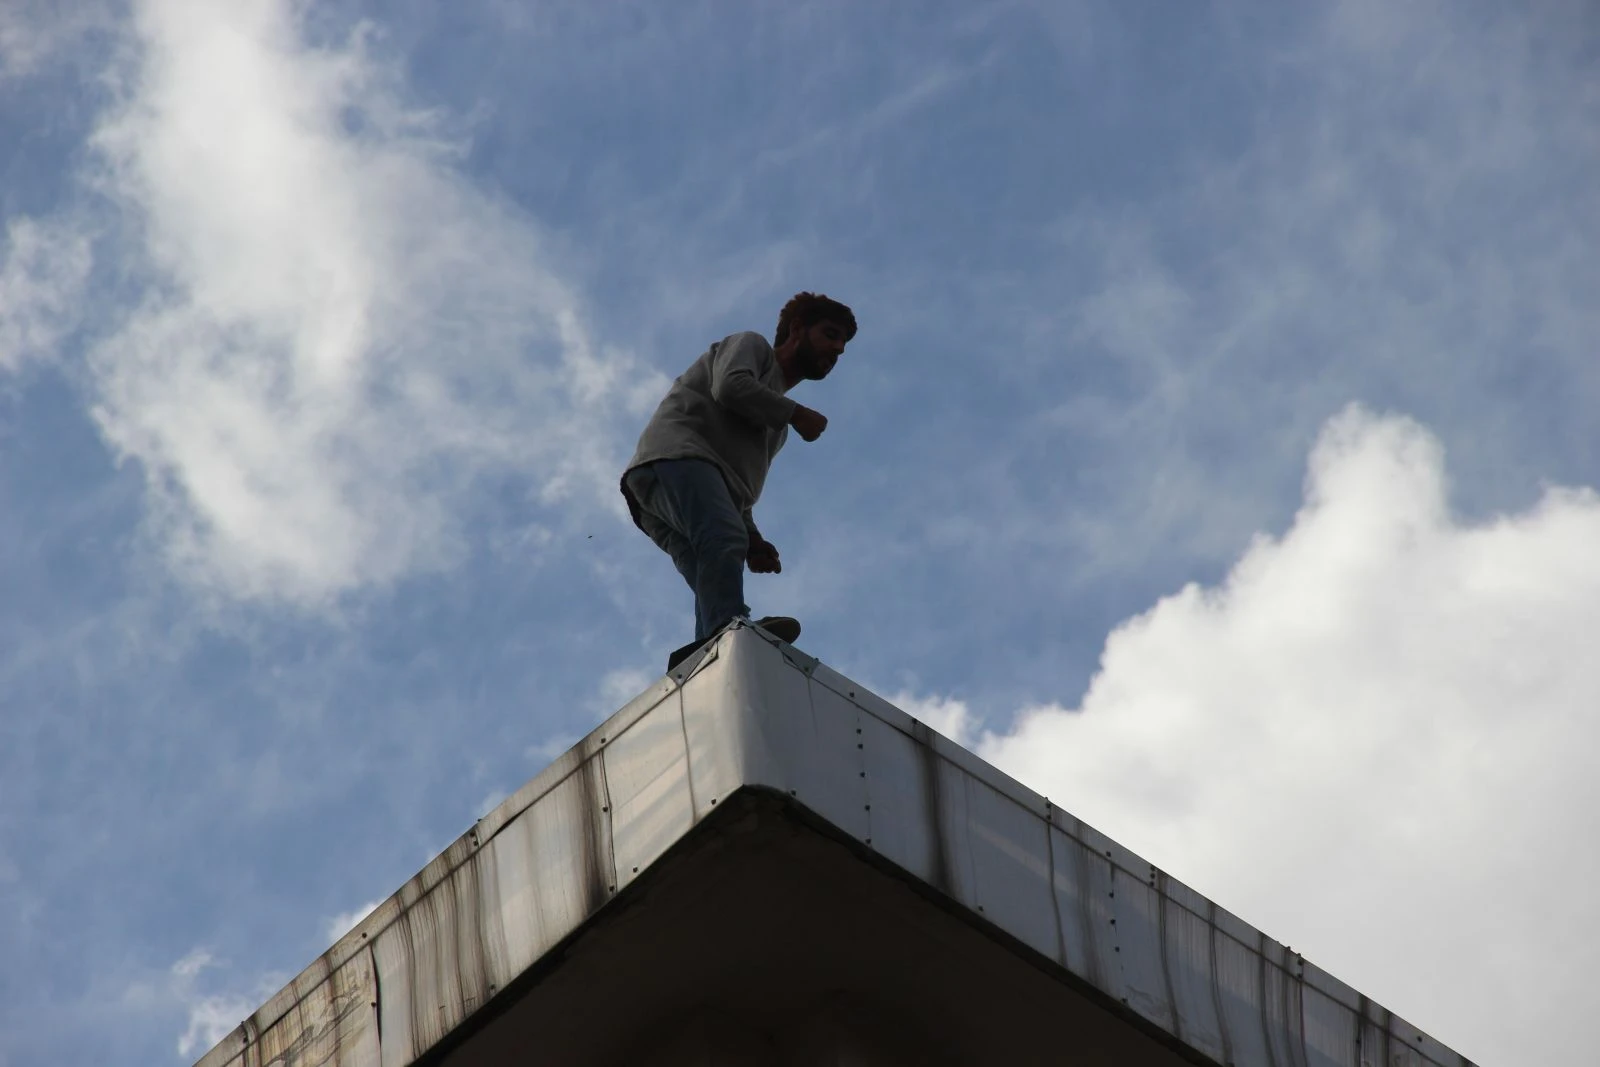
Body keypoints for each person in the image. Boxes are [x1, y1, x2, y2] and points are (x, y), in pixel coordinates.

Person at [621, 292, 858, 670]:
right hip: (674, 458)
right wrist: (796, 413)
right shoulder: (753, 347)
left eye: (843, 345)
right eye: (830, 335)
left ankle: (706, 661)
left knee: (708, 570)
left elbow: (732, 488)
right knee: (722, 539)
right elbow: (730, 386)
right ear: (797, 329)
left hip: (660, 487)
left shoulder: (775, 425)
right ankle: (731, 630)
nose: (837, 350)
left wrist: (753, 538)